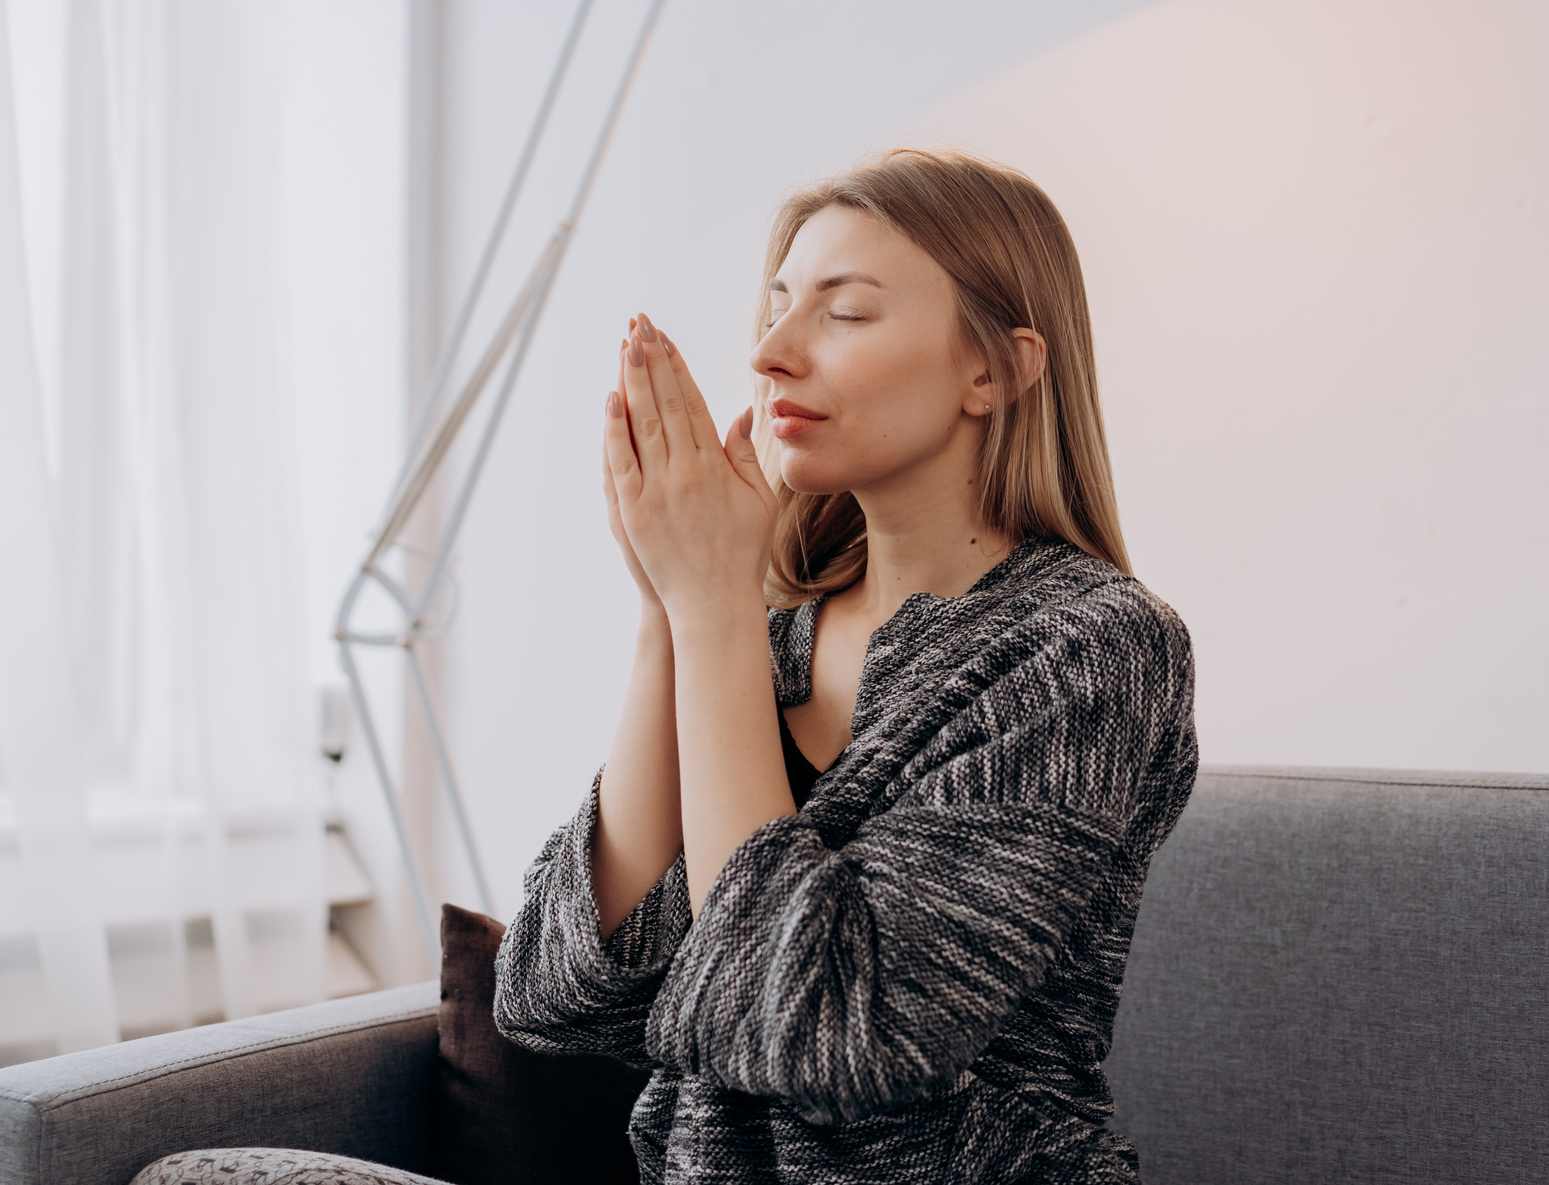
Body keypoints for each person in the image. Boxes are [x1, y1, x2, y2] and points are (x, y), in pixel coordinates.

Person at [491, 148, 1198, 1184]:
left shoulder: (1088, 648)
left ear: (995, 369)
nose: (772, 353)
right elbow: (560, 998)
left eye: (844, 313)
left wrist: (714, 611)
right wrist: (669, 609)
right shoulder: (764, 635)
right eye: (775, 307)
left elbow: (835, 1035)